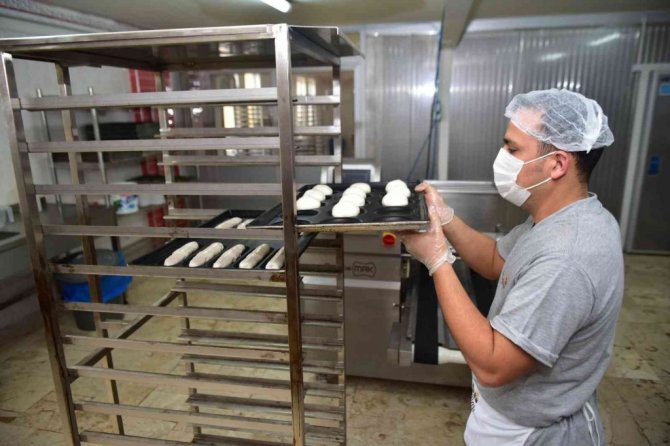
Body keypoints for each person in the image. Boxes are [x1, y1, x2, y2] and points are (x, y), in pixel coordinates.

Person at [399, 89, 623, 446]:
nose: (502, 157)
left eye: (513, 149)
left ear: (557, 164)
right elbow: (494, 260)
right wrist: (446, 218)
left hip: (534, 432)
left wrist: (437, 260)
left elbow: (493, 365)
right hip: (509, 415)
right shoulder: (557, 219)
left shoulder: (567, 256)